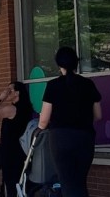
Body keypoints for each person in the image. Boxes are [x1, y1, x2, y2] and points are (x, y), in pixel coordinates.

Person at [37, 47, 101, 197]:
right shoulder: (88, 84)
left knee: (67, 182)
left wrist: (39, 129)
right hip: (85, 137)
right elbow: (98, 115)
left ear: (59, 65)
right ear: (76, 63)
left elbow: (44, 120)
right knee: (79, 182)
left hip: (60, 138)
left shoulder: (53, 85)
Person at [0, 80, 37, 197]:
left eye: (10, 90)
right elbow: (16, 130)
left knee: (10, 182)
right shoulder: (27, 108)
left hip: (10, 151)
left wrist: (1, 98)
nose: (7, 92)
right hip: (22, 149)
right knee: (19, 181)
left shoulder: (11, 109)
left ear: (17, 93)